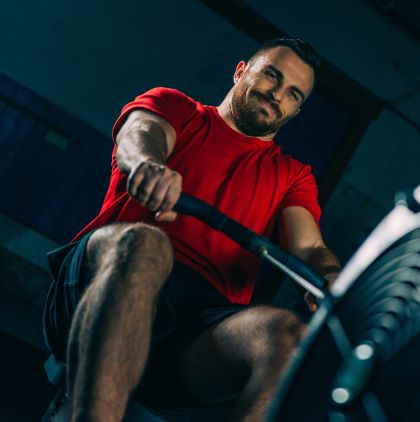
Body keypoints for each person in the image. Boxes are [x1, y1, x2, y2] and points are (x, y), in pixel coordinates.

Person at [42, 37, 341, 421]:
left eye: (293, 93)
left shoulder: (292, 176)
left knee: (290, 337)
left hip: (194, 328)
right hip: (102, 278)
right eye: (271, 75)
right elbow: (139, 137)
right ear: (240, 71)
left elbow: (310, 249)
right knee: (146, 244)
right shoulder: (177, 107)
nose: (277, 94)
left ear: (296, 110)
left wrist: (330, 277)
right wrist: (149, 164)